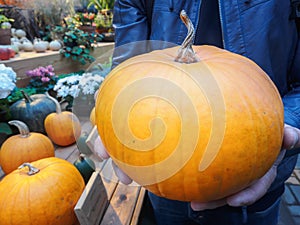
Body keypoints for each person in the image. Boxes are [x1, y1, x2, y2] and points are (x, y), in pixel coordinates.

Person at [94, 0, 300, 224]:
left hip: (257, 176)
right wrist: (115, 111)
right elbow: (127, 70)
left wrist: (282, 125)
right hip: (161, 176)